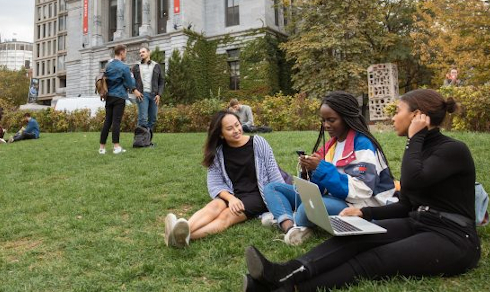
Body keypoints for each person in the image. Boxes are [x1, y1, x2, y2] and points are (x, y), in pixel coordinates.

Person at [243, 89, 480, 292]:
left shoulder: (453, 150)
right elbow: (406, 204)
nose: (394, 117)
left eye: (398, 111)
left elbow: (414, 179)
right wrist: (363, 215)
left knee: (375, 259)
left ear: (417, 116)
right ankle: (285, 272)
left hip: (453, 237)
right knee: (356, 238)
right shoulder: (420, 151)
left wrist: (414, 139)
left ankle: (288, 288)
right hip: (417, 222)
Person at [261, 91, 396, 246]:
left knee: (307, 208)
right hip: (335, 197)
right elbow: (322, 187)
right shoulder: (332, 144)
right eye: (324, 120)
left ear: (347, 118)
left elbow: (362, 189)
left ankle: (287, 219)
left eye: (331, 120)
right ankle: (291, 226)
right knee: (273, 188)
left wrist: (321, 168)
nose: (326, 125)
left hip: (359, 205)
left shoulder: (363, 145)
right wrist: (308, 172)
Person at [164, 111, 285, 248]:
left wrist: (284, 200)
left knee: (226, 216)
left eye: (237, 125)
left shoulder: (259, 143)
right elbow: (215, 185)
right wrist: (231, 198)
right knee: (214, 206)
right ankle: (179, 231)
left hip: (257, 195)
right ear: (221, 134)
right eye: (229, 128)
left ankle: (183, 237)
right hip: (232, 193)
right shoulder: (218, 153)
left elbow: (274, 175)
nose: (236, 130)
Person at [99, 45, 143, 155]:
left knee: (107, 122)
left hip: (109, 97)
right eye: (125, 53)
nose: (125, 55)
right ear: (121, 53)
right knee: (116, 122)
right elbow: (129, 82)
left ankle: (102, 148)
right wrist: (134, 88)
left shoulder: (108, 65)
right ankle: (116, 147)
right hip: (119, 96)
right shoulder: (124, 67)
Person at [131, 46, 165, 142]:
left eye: (143, 52)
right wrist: (134, 90)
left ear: (149, 53)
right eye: (140, 52)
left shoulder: (156, 66)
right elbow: (129, 80)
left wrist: (159, 94)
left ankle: (147, 140)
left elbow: (161, 81)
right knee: (142, 118)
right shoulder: (136, 66)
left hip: (154, 95)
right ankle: (139, 141)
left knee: (153, 119)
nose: (141, 54)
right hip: (142, 94)